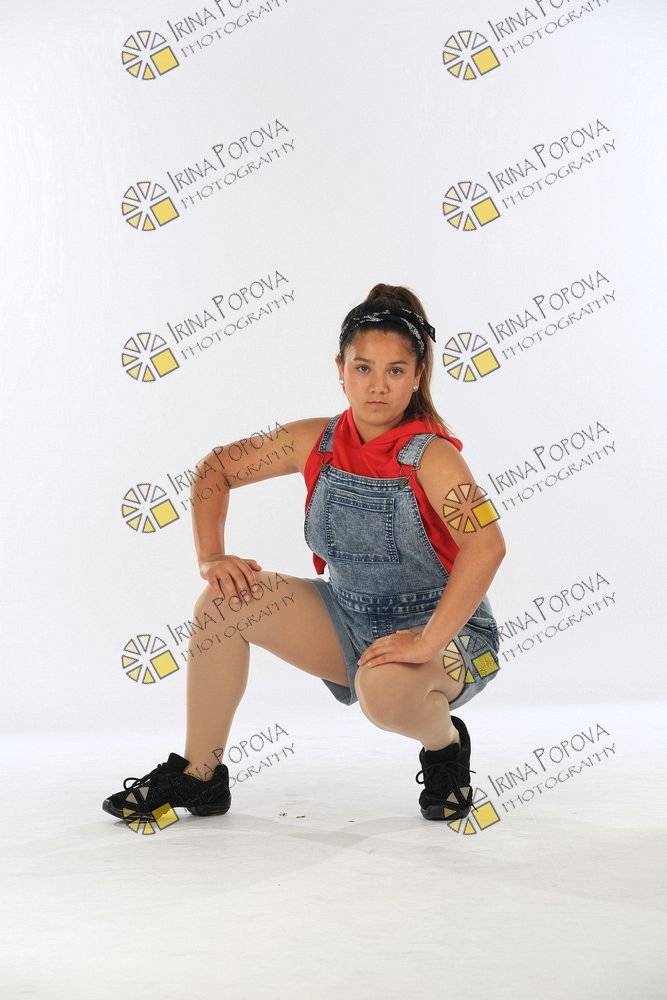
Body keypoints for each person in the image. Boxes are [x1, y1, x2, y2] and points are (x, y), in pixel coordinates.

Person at [103, 283, 506, 827]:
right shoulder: (313, 440)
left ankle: (446, 749)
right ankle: (200, 775)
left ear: (417, 375)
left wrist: (428, 640)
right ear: (340, 369)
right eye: (363, 368)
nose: (377, 386)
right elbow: (215, 468)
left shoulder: (433, 458)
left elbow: (487, 544)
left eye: (395, 370)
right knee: (223, 603)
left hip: (455, 639)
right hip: (350, 620)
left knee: (382, 690)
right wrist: (211, 557)